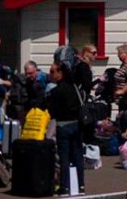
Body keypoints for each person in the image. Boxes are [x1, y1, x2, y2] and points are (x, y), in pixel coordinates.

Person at [45, 62, 85, 196]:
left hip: (63, 125)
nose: (50, 74)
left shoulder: (56, 91)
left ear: (60, 73)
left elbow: (52, 111)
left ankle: (65, 187)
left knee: (64, 157)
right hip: (77, 125)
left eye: (52, 72)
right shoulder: (74, 87)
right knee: (78, 156)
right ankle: (80, 186)